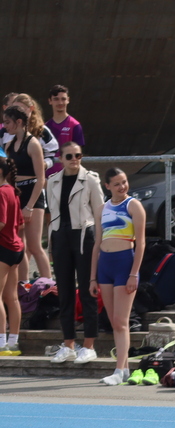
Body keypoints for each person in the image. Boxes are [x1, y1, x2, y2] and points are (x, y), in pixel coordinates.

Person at [44, 142, 102, 363]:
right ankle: (68, 343)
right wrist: (51, 243)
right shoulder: (53, 181)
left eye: (78, 155)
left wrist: (99, 241)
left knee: (88, 290)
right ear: (61, 158)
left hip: (83, 236)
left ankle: (89, 344)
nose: (74, 159)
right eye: (69, 156)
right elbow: (53, 213)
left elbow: (99, 213)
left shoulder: (90, 179)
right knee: (65, 291)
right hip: (60, 236)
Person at [91, 167, 146, 385]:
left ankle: (119, 368)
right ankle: (124, 369)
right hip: (105, 266)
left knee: (122, 321)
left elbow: (141, 242)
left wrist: (134, 273)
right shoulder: (101, 209)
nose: (122, 187)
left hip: (125, 264)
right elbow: (97, 243)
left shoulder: (133, 205)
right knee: (114, 321)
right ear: (107, 186)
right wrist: (92, 277)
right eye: (117, 184)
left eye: (124, 182)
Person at [2, 105, 49, 283]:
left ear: (19, 121)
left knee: (35, 245)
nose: (5, 126)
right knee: (18, 245)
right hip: (17, 194)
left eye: (8, 122)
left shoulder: (33, 144)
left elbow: (41, 178)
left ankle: (49, 287)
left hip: (33, 195)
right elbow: (8, 175)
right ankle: (24, 286)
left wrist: (29, 206)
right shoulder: (8, 145)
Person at [0, 159, 23, 356]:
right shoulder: (13, 191)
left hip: (3, 248)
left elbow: (1, 222)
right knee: (11, 297)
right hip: (15, 248)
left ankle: (1, 343)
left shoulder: (1, 192)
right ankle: (13, 342)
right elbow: (20, 223)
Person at [45, 86, 82, 180]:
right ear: (50, 101)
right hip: (48, 177)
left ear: (68, 100)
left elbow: (78, 155)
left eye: (63, 99)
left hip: (69, 176)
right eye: (56, 99)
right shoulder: (44, 127)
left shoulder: (75, 125)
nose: (60, 102)